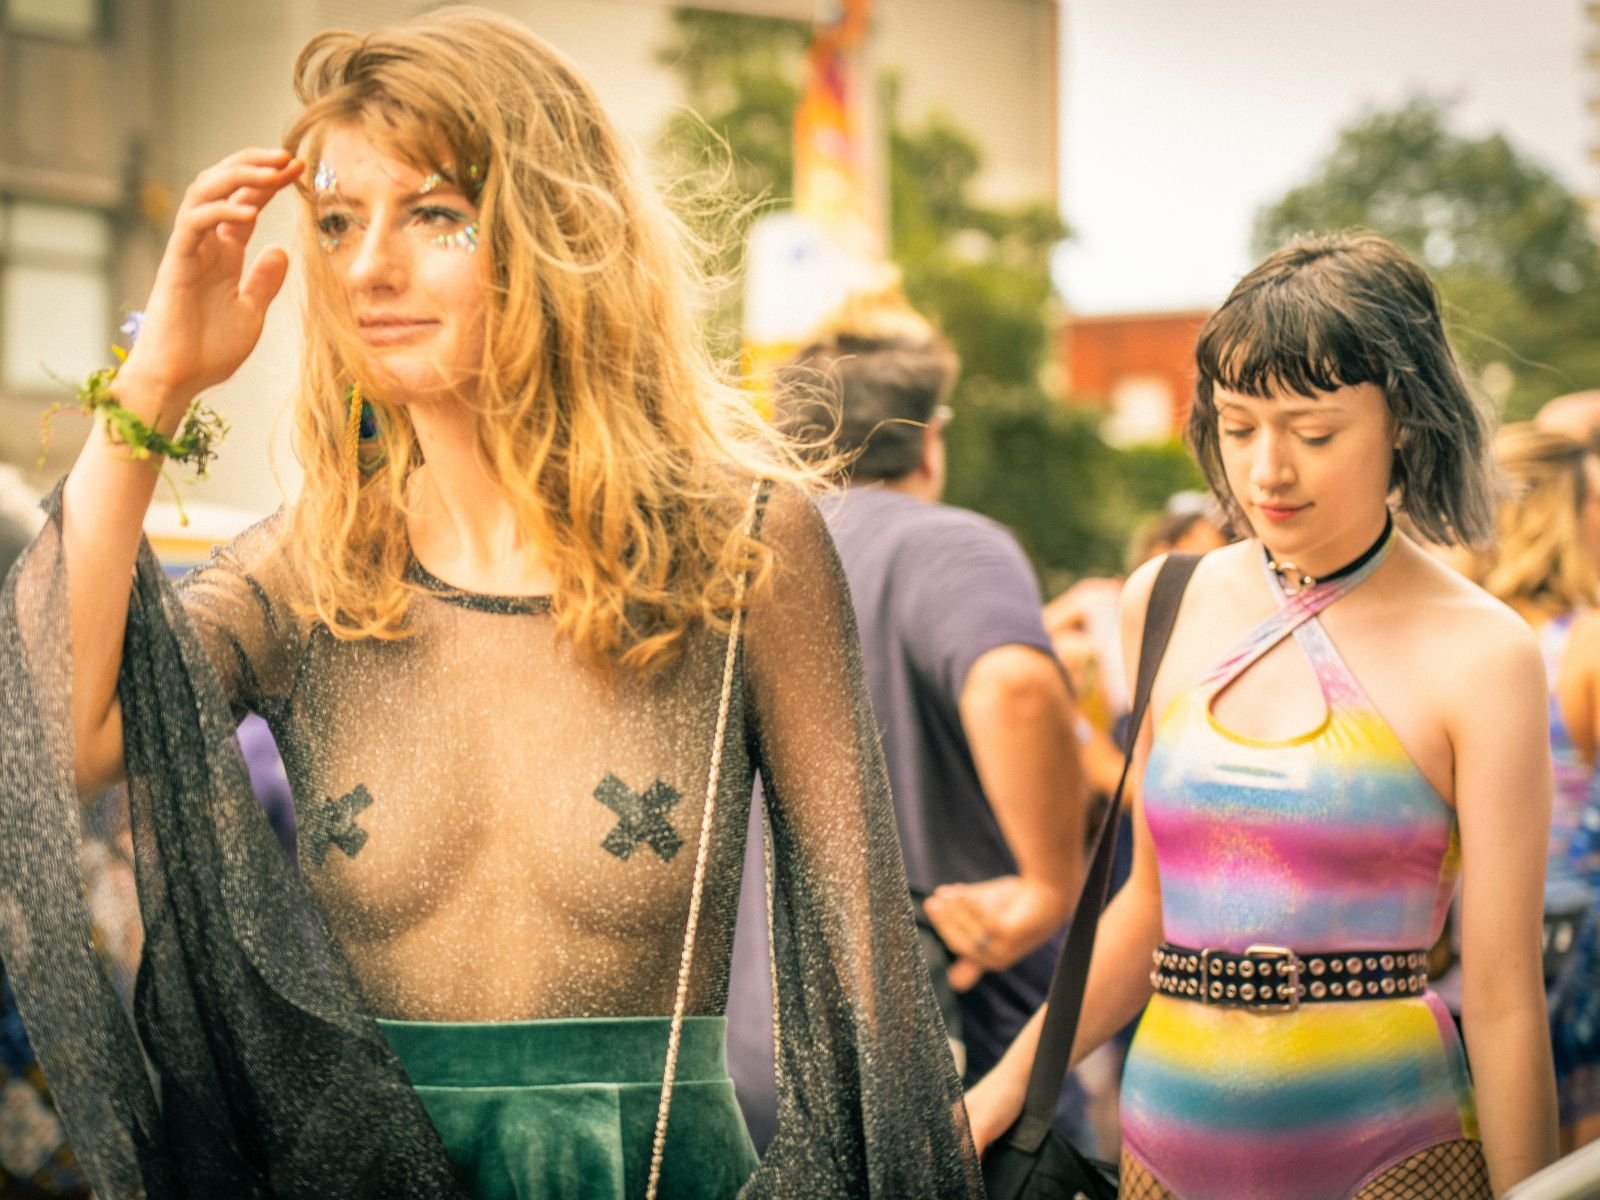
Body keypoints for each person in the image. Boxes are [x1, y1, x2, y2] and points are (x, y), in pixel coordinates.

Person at [0, 8, 981, 1198]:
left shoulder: (742, 549)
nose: (370, 267)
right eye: (338, 222)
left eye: (437, 215)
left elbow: (863, 965)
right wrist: (155, 379)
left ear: (558, 232)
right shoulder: (309, 572)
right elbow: (53, 741)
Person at [965, 232, 1558, 1198]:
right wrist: (998, 1094)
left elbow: (1502, 998)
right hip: (1164, 1149)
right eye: (1238, 428)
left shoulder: (1484, 652)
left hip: (1394, 1155)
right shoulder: (1163, 600)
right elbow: (1147, 910)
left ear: (1403, 419)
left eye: (1313, 433)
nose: (1267, 472)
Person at [727, 286, 1087, 1141]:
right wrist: (1049, 883)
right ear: (929, 440)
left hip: (751, 1069)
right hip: (963, 1071)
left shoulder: (734, 563)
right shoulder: (945, 542)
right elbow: (1017, 685)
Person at [1463, 425, 1600, 1153]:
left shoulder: (1443, 639)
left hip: (1446, 971)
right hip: (1570, 967)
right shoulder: (1587, 644)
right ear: (1564, 514)